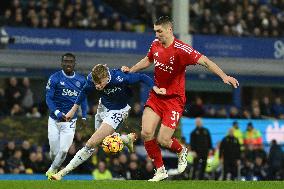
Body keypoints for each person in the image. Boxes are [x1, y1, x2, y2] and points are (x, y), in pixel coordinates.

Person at [121, 16, 239, 181]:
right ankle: (160, 170)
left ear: (169, 30)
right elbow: (149, 59)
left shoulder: (182, 49)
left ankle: (181, 150)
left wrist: (223, 76)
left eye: (159, 31)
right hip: (156, 96)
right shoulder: (155, 44)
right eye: (155, 31)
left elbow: (205, 61)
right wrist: (131, 70)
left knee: (163, 139)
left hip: (174, 100)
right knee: (146, 132)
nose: (157, 34)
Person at [51, 64, 164, 180]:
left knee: (90, 143)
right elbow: (84, 92)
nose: (97, 86)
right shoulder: (92, 78)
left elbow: (142, 77)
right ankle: (125, 139)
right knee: (101, 142)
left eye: (100, 83)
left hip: (118, 111)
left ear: (106, 77)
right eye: (95, 83)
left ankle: (62, 173)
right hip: (103, 107)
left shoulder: (120, 78)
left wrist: (155, 88)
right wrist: (72, 111)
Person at [45, 53, 88, 179]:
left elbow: (84, 100)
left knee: (64, 150)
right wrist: (57, 112)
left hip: (70, 122)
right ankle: (55, 167)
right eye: (66, 61)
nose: (68, 64)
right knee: (54, 151)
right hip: (54, 120)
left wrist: (84, 116)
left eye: (70, 62)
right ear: (61, 63)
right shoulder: (54, 78)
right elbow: (48, 98)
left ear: (74, 64)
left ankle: (51, 171)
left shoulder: (81, 80)